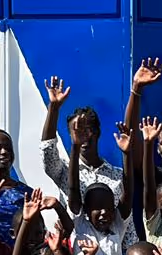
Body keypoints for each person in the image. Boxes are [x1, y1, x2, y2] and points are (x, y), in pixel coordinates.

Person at [40, 75, 125, 211]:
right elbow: (47, 149)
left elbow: (125, 221)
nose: (82, 137)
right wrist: (54, 108)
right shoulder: (62, 170)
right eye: (77, 132)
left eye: (86, 130)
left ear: (97, 132)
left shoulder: (118, 176)